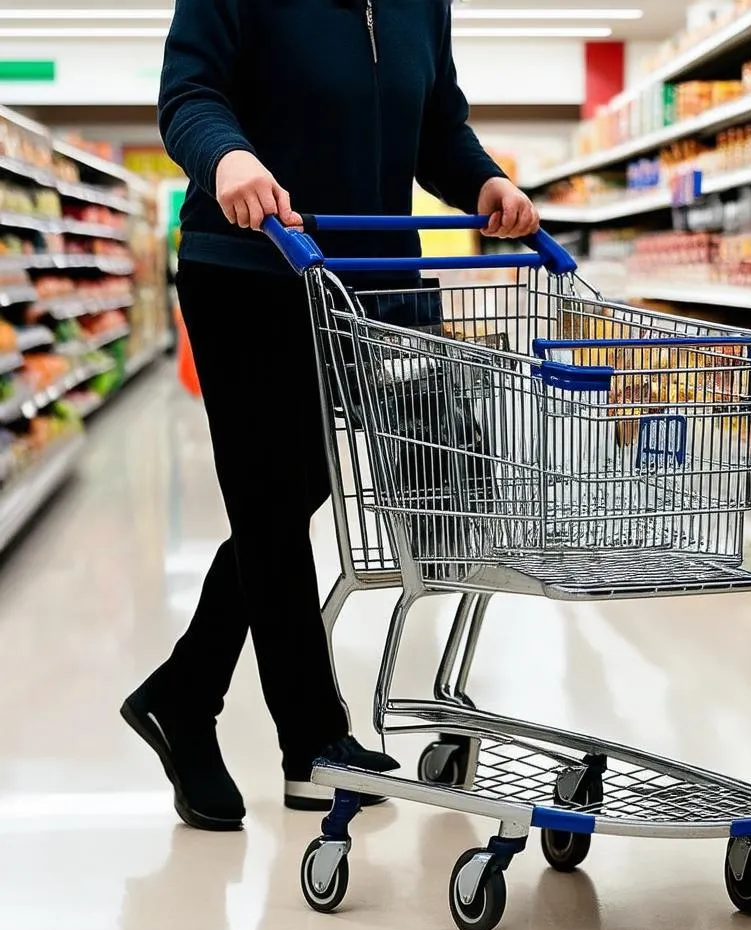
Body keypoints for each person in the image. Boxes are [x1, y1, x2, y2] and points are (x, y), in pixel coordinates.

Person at [121, 0, 540, 831]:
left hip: (363, 290)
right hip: (248, 269)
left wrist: (485, 179)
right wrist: (229, 157)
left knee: (297, 493)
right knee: (270, 503)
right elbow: (189, 94)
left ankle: (183, 695)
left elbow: (437, 127)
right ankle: (312, 742)